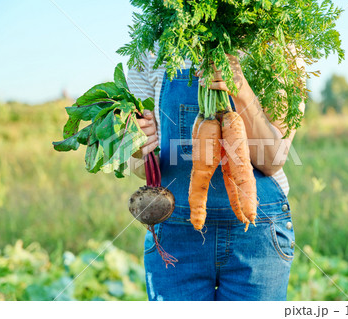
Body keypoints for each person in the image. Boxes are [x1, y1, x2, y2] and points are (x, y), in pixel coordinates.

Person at [127, 46, 305, 301]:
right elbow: (144, 170)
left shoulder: (278, 46)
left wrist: (241, 89)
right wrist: (138, 148)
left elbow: (272, 160)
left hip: (257, 236)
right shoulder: (151, 48)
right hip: (176, 237)